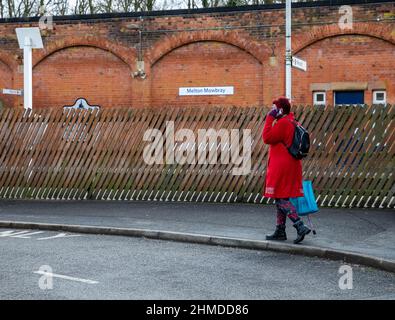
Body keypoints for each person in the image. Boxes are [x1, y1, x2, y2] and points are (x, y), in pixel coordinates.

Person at [262, 97, 311, 244]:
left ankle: (299, 225)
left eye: (274, 108)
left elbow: (266, 137)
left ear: (280, 110)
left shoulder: (283, 123)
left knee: (281, 198)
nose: (272, 110)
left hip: (282, 166)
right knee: (281, 196)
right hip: (291, 165)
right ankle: (280, 230)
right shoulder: (293, 121)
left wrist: (270, 118)